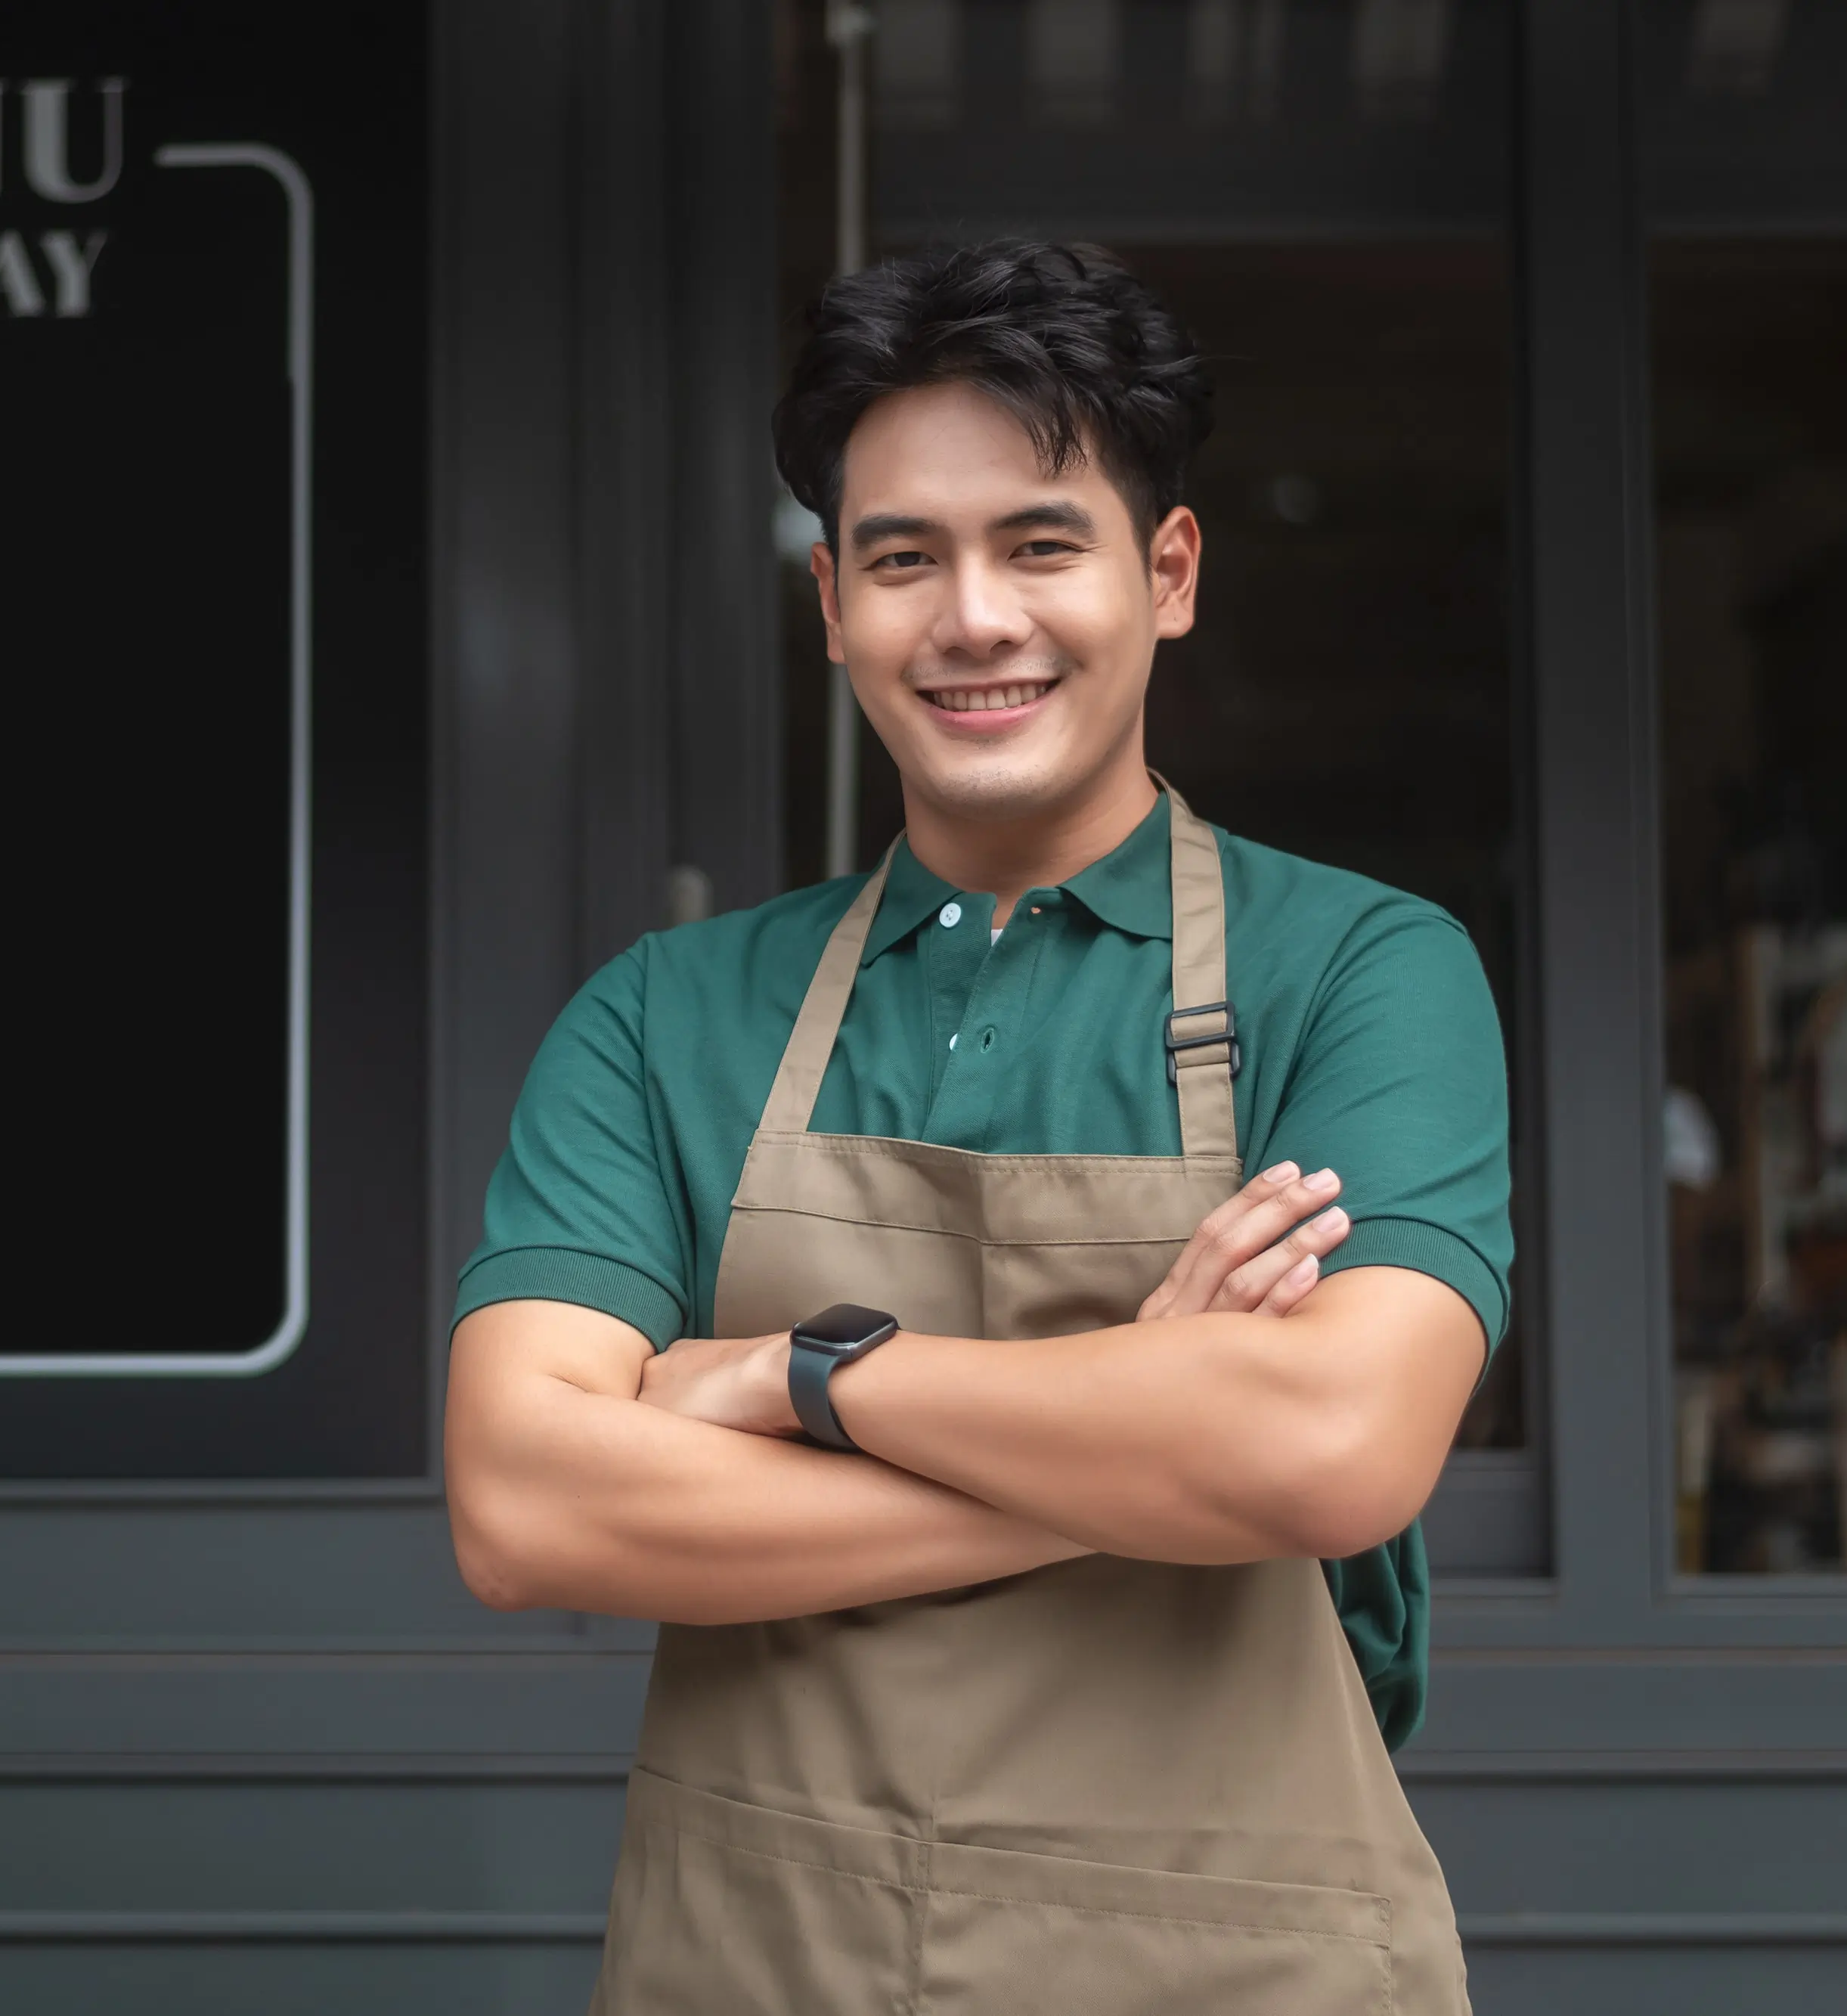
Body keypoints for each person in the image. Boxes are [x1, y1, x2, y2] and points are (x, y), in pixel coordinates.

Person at [445, 240, 1509, 2013]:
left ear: (1164, 573)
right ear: (831, 605)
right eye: (901, 558)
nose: (973, 619)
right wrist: (1142, 1435)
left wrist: (804, 1377)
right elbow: (521, 1500)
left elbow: (1326, 1448)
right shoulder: (662, 1017)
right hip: (758, 1969)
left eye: (1037, 542)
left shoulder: (1362, 973)